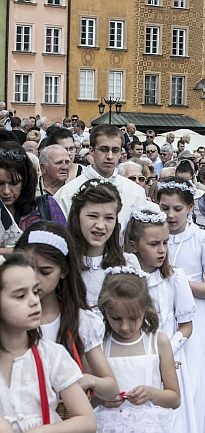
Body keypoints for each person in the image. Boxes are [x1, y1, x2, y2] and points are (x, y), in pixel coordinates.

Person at [14, 222, 120, 402]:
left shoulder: (81, 321)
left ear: (63, 271)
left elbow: (111, 388)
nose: (34, 279)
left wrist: (89, 380)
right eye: (27, 269)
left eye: (45, 271)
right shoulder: (8, 318)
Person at [156, 177, 205, 433]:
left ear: (189, 207)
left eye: (177, 209)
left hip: (194, 323)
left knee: (194, 382)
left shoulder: (202, 239)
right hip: (164, 319)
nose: (171, 215)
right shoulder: (155, 238)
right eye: (165, 208)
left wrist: (183, 283)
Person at [123, 203, 198, 433]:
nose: (162, 250)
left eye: (165, 243)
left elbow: (186, 325)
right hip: (134, 358)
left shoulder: (174, 278)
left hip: (168, 360)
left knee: (170, 418)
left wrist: (166, 351)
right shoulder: (125, 278)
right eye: (154, 244)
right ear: (134, 245)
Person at [0, 253, 96, 432]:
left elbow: (87, 421)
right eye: (20, 295)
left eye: (35, 292)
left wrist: (44, 430)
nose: (34, 301)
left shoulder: (52, 355)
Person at [94, 268, 180, 433]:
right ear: (105, 311)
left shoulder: (158, 341)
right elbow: (84, 401)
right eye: (116, 318)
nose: (125, 327)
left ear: (145, 310)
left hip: (149, 426)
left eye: (133, 318)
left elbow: (174, 398)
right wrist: (101, 400)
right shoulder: (98, 345)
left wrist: (151, 393)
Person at [68, 180, 142, 308]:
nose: (100, 226)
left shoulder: (128, 263)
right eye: (92, 216)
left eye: (108, 218)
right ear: (77, 216)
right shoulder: (64, 263)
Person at [55, 124, 147, 224]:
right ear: (91, 150)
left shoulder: (136, 193)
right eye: (104, 150)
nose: (110, 156)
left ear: (121, 152)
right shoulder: (67, 193)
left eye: (115, 150)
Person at [0, 141, 66, 231]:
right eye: (0, 184)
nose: (6, 191)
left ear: (26, 181)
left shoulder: (47, 206)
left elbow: (64, 242)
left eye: (14, 183)